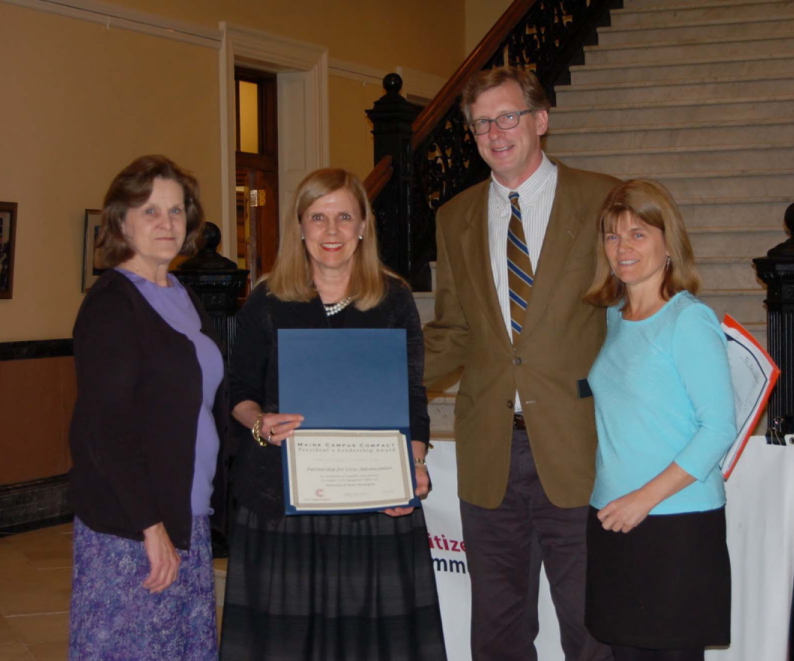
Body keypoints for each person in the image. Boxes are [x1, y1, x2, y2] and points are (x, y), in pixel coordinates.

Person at [422, 65, 618, 661]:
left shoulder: (605, 198)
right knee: (498, 630)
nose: (495, 132)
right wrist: (371, 389)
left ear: (540, 120)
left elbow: (634, 313)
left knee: (592, 626)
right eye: (482, 123)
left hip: (577, 445)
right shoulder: (454, 217)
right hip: (490, 450)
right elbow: (454, 331)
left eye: (508, 116)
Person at [219, 168, 447, 660]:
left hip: (370, 501)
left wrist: (413, 467)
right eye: (318, 217)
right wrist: (260, 423)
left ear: (364, 225)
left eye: (344, 216)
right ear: (299, 227)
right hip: (282, 500)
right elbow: (239, 391)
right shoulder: (267, 300)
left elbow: (410, 396)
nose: (332, 230)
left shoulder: (394, 298)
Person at [68, 155, 224, 660]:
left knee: (182, 647)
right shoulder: (113, 303)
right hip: (133, 526)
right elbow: (105, 429)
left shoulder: (179, 292)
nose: (167, 223)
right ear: (121, 220)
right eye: (151, 210)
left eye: (176, 211)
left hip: (188, 512)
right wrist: (149, 527)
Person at [583, 180, 737, 661]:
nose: (622, 248)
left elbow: (718, 428)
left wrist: (641, 501)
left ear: (668, 243)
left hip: (674, 524)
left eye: (638, 234)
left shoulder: (688, 320)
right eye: (612, 236)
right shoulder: (612, 318)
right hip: (613, 517)